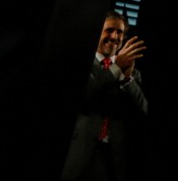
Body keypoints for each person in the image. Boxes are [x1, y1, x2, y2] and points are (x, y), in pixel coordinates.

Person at [60, 10, 148, 181]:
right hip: (79, 151)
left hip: (112, 158)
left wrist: (127, 78)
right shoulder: (81, 63)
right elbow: (84, 96)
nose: (115, 36)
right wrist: (115, 69)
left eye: (120, 32)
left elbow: (143, 110)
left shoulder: (133, 73)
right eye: (109, 30)